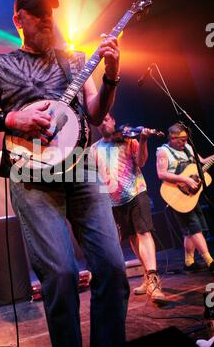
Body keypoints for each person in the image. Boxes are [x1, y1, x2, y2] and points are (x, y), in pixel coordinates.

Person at [0, 0, 130, 347]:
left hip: (82, 168)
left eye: (50, 12)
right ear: (18, 18)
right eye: (36, 12)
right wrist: (13, 118)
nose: (46, 18)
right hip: (31, 173)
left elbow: (94, 112)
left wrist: (111, 75)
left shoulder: (74, 60)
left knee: (112, 266)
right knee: (59, 275)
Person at [89, 114, 167, 305]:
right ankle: (146, 277)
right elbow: (95, 176)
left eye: (106, 119)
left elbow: (141, 162)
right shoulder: (93, 149)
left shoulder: (129, 140)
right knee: (132, 237)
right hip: (114, 201)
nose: (103, 122)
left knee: (143, 232)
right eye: (100, 121)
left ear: (113, 120)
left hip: (136, 191)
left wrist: (143, 140)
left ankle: (154, 281)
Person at [156, 122, 214, 274]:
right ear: (172, 138)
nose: (184, 143)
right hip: (175, 193)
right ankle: (210, 261)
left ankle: (189, 262)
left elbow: (201, 162)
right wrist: (186, 180)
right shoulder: (163, 152)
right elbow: (161, 174)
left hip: (190, 195)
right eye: (181, 140)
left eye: (186, 139)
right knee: (194, 227)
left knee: (190, 230)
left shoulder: (188, 148)